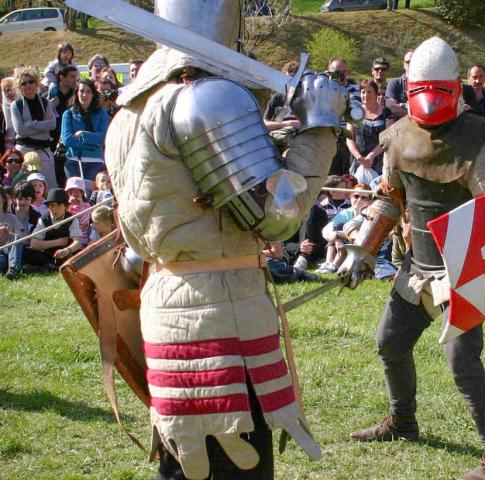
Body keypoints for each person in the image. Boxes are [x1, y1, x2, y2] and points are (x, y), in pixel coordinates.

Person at [103, 1, 349, 477]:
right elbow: (276, 217)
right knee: (234, 464)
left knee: (189, 463)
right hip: (222, 318)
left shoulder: (130, 112)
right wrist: (319, 126)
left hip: (170, 306)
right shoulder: (205, 98)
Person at [342, 36, 485, 480]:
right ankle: (403, 422)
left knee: (463, 363)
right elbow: (390, 199)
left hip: (462, 273)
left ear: (456, 86)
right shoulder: (398, 136)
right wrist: (363, 251)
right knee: (390, 342)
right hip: (417, 266)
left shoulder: (482, 144)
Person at [10, 67, 57, 188]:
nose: (28, 85)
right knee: (24, 186)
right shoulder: (16, 105)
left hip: (44, 150)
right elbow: (20, 130)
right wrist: (42, 125)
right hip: (25, 149)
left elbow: (52, 124)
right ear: (19, 87)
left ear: (36, 83)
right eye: (24, 83)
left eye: (31, 81)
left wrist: (32, 124)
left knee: (50, 185)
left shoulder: (45, 102)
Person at [61, 79, 109, 187]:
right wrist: (93, 143)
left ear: (93, 94)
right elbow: (67, 140)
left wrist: (83, 134)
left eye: (88, 92)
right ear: (77, 93)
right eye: (82, 91)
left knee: (92, 195)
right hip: (73, 161)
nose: (84, 95)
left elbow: (104, 138)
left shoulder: (102, 113)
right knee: (75, 196)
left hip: (95, 161)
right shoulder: (68, 114)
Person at [317, 183, 371, 274]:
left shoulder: (370, 214)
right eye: (356, 196)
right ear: (350, 197)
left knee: (337, 231)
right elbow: (326, 230)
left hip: (363, 249)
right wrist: (335, 237)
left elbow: (364, 236)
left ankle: (334, 264)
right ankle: (329, 262)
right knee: (336, 227)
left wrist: (338, 235)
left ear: (369, 201)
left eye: (363, 197)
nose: (358, 200)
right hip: (343, 246)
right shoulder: (346, 213)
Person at [346, 79, 394, 180]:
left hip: (380, 162)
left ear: (377, 94)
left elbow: (388, 139)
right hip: (358, 161)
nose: (366, 95)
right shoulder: (354, 111)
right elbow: (349, 138)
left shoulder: (386, 113)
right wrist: (359, 157)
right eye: (363, 92)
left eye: (369, 92)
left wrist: (372, 156)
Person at [29, 188, 83, 270]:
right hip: (48, 254)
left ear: (65, 206)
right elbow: (34, 244)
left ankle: (49, 267)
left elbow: (78, 242)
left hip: (67, 253)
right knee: (26, 252)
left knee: (80, 254)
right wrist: (58, 242)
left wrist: (66, 250)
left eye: (59, 205)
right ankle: (49, 265)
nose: (55, 209)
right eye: (52, 205)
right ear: (48, 207)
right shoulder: (43, 220)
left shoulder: (72, 219)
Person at [0, 186, 22, 279]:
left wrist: (8, 233)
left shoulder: (12, 218)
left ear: (4, 199)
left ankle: (13, 268)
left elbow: (19, 237)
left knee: (17, 238)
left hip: (9, 252)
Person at [64, 176, 91, 247]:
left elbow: (85, 220)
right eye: (72, 191)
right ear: (68, 193)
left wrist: (80, 205)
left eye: (78, 191)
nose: (75, 194)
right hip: (73, 239)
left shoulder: (86, 205)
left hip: (86, 237)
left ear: (82, 193)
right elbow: (69, 219)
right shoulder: (66, 207)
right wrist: (71, 205)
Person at [385, 50, 413, 119]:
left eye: (414, 61)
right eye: (408, 62)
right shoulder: (394, 83)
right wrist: (412, 118)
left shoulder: (425, 83)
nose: (411, 64)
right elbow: (391, 107)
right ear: (404, 64)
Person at [1, 77, 17, 150]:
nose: (10, 93)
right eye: (7, 90)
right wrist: (8, 139)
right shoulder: (2, 111)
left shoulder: (24, 106)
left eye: (13, 89)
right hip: (7, 149)